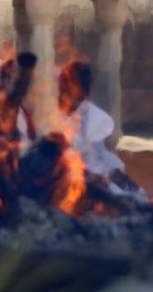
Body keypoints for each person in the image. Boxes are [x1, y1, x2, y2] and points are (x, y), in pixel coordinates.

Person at [57, 61, 148, 201]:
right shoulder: (49, 118)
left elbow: (100, 154)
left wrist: (115, 174)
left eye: (83, 96)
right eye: (77, 93)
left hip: (97, 175)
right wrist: (90, 175)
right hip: (67, 182)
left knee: (136, 198)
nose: (80, 100)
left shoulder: (89, 114)